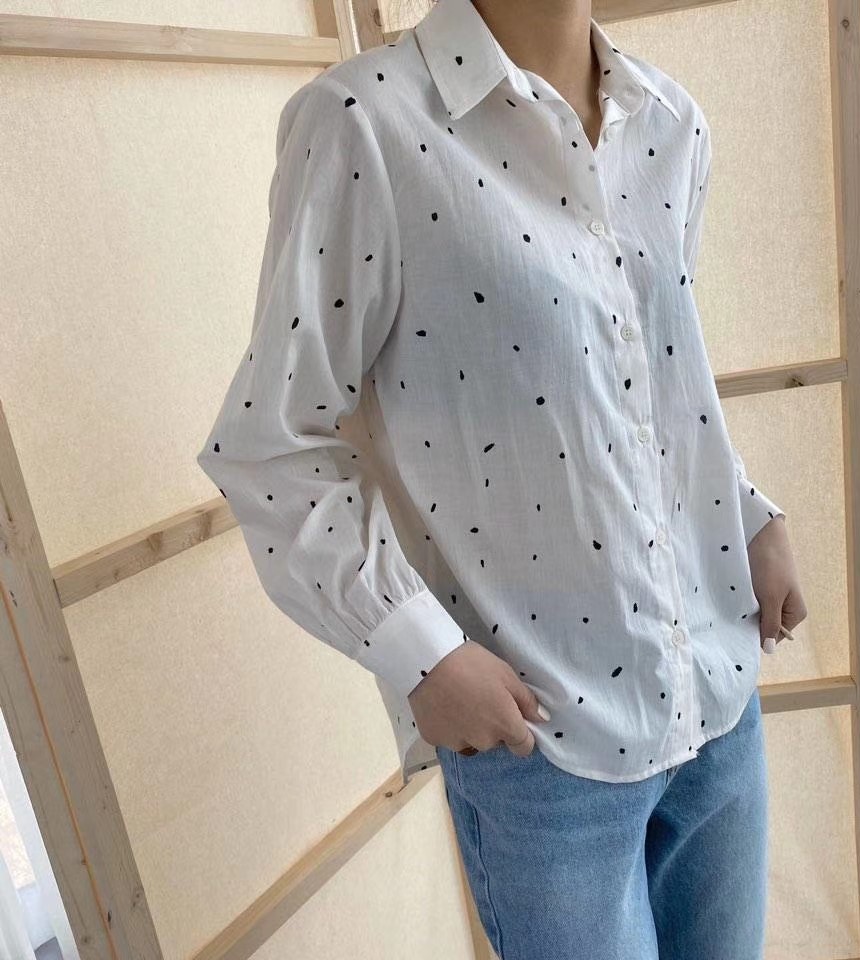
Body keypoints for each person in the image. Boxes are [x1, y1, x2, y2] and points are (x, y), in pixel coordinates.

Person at [196, 0, 807, 956]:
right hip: (543, 746)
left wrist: (749, 513)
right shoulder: (366, 126)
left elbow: (640, 376)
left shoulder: (670, 122)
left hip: (715, 693)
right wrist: (418, 652)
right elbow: (271, 442)